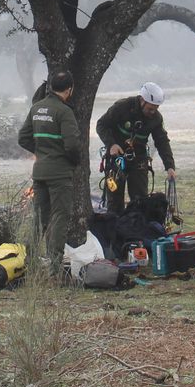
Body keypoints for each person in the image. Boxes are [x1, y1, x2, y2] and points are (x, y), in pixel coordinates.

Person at [17, 71, 83, 271]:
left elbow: (23, 137)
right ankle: (55, 266)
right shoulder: (64, 112)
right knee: (60, 217)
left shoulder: (36, 108)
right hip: (60, 174)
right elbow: (72, 146)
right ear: (69, 89)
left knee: (39, 218)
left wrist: (41, 153)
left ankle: (29, 262)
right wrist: (72, 162)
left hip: (40, 173)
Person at [95, 82, 176, 214]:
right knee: (114, 203)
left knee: (140, 201)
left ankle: (137, 230)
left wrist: (170, 166)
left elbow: (162, 141)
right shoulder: (122, 107)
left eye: (156, 108)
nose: (153, 112)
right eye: (150, 109)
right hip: (116, 157)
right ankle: (115, 230)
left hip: (138, 158)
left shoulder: (156, 118)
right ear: (142, 100)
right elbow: (101, 125)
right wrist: (111, 144)